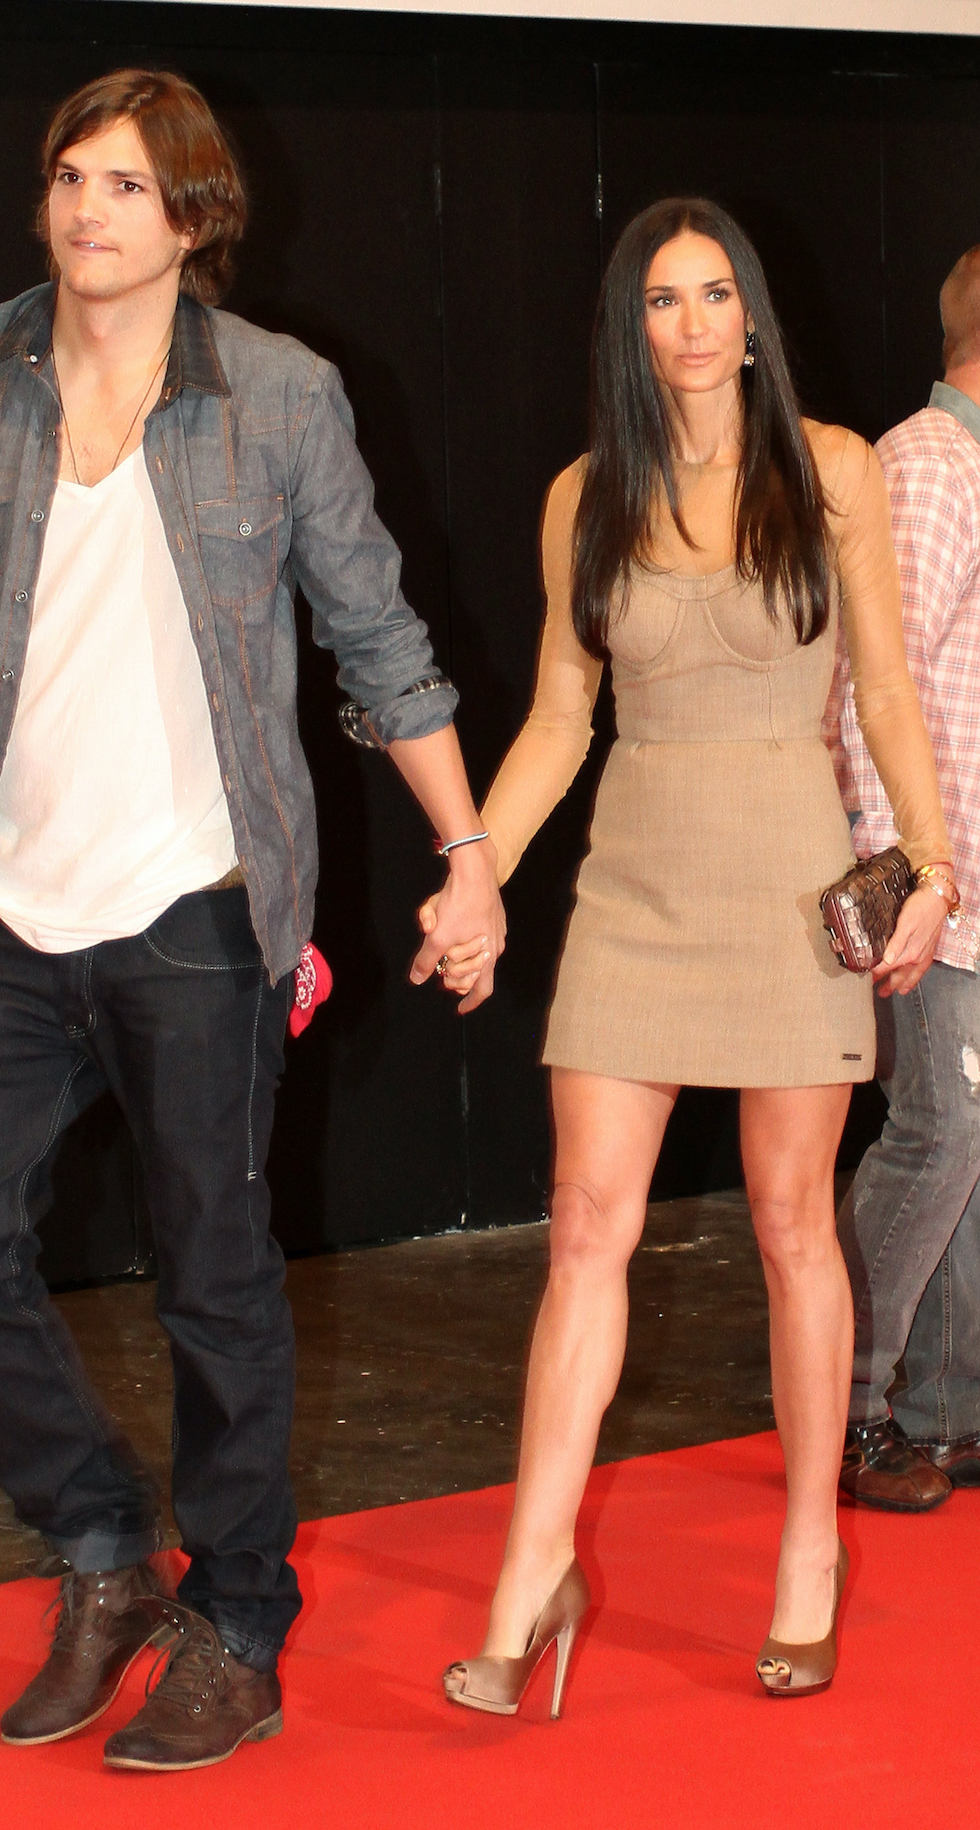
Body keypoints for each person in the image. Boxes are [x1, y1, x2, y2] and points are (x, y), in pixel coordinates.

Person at [0, 68, 503, 1773]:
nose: (87, 208)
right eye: (68, 176)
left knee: (216, 1279)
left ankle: (239, 1623)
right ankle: (106, 1548)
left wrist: (464, 850)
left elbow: (378, 642)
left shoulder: (279, 398)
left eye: (127, 184)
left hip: (197, 904)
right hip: (1, 905)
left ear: (195, 216)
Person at [438, 197, 955, 1716]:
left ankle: (809, 1550)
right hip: (636, 885)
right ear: (632, 326)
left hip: (793, 885)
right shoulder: (582, 497)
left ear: (752, 316)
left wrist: (928, 868)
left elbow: (884, 693)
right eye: (663, 298)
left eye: (716, 293)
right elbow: (555, 717)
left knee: (797, 1225)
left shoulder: (836, 469)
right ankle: (535, 1565)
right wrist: (479, 867)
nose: (692, 323)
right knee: (586, 1217)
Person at [828, 246, 980, 1514]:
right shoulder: (926, 468)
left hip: (966, 885)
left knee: (966, 1146)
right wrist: (897, 880)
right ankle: (842, 1406)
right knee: (936, 1136)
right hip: (932, 889)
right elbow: (864, 686)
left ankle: (943, 1408)